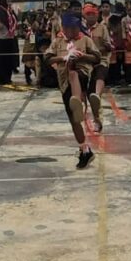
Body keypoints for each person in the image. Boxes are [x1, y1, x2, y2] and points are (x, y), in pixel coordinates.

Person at [46, 14, 100, 168]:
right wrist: (63, 58)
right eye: (68, 28)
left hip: (82, 75)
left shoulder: (85, 40)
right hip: (64, 83)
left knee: (74, 74)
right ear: (63, 28)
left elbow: (96, 57)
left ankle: (78, 100)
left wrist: (81, 56)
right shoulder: (57, 41)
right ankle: (85, 150)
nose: (71, 31)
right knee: (73, 119)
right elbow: (47, 58)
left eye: (74, 28)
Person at [83, 3, 110, 131]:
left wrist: (97, 50)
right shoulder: (81, 29)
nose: (91, 17)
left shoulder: (102, 28)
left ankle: (98, 95)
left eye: (93, 14)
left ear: (97, 15)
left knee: (100, 74)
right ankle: (95, 119)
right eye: (88, 14)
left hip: (101, 60)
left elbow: (108, 46)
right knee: (89, 93)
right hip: (86, 63)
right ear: (84, 15)